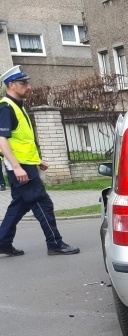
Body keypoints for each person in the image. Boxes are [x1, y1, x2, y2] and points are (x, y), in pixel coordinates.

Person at [0, 66, 79, 257]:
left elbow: (21, 141)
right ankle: (54, 243)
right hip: (21, 167)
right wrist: (18, 167)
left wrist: (37, 161)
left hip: (26, 165)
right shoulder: (6, 107)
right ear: (11, 85)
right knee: (43, 204)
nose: (28, 86)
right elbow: (2, 139)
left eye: (27, 82)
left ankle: (2, 242)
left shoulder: (17, 106)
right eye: (23, 83)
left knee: (19, 204)